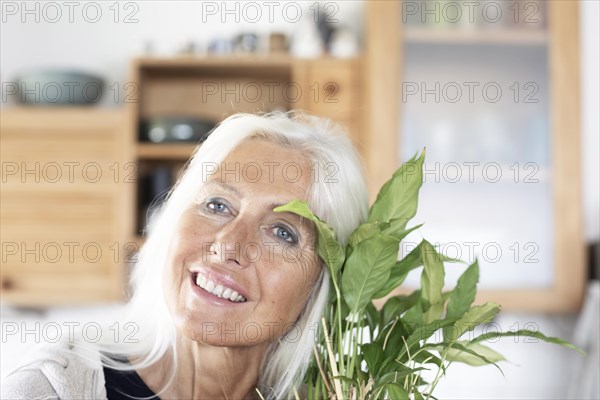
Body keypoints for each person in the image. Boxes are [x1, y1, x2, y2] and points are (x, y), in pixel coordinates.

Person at [1, 112, 368, 399]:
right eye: (217, 204)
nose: (228, 245)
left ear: (323, 282)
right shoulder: (49, 389)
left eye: (283, 232)